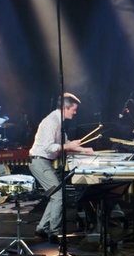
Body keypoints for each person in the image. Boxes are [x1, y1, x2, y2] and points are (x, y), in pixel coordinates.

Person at [28, 92, 94, 243]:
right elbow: (49, 147)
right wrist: (68, 145)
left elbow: (65, 145)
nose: (75, 112)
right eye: (73, 109)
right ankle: (54, 232)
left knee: (55, 196)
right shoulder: (51, 121)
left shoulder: (59, 121)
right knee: (58, 196)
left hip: (44, 162)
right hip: (39, 161)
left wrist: (84, 150)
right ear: (65, 108)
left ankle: (42, 229)